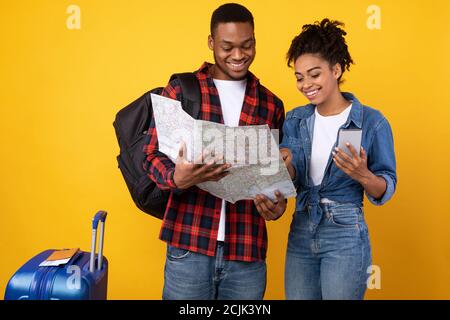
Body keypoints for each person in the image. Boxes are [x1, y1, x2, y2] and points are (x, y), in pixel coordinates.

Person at [143, 3, 286, 300]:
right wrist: (176, 177)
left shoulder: (271, 104)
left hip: (247, 252)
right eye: (227, 47)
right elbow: (151, 155)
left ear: (255, 42)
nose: (238, 55)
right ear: (211, 43)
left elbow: (275, 177)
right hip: (189, 244)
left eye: (246, 46)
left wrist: (277, 206)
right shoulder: (181, 90)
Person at [278, 19, 397, 300]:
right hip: (301, 227)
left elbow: (386, 186)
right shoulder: (295, 119)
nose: (306, 84)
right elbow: (290, 178)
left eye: (314, 74)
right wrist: (285, 168)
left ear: (336, 69)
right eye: (299, 77)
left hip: (345, 232)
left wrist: (363, 175)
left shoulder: (371, 121)